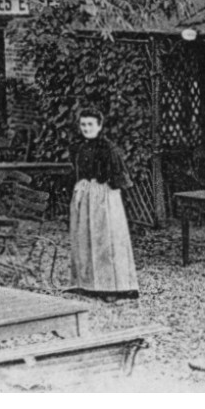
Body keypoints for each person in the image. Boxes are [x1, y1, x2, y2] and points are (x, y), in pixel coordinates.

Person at [69, 108, 139, 301]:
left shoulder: (108, 148)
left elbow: (117, 177)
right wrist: (82, 181)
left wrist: (99, 183)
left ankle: (112, 287)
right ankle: (86, 283)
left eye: (90, 124)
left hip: (104, 197)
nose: (86, 128)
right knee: (84, 237)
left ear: (99, 126)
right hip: (86, 197)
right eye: (83, 125)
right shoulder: (79, 147)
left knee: (106, 240)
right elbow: (77, 170)